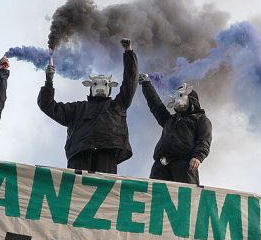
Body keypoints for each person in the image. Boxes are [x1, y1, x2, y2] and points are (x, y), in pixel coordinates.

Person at [38, 38, 138, 173]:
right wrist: (48, 82)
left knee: (104, 189)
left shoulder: (117, 105)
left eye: (105, 84)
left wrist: (129, 52)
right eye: (96, 84)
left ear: (110, 87)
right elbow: (48, 105)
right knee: (76, 190)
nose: (101, 87)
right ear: (90, 86)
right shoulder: (77, 108)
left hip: (107, 152)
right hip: (79, 153)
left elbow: (130, 82)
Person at [138, 76, 212, 185]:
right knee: (156, 195)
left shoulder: (200, 119)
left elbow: (204, 140)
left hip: (184, 163)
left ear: (191, 98)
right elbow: (155, 105)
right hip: (161, 164)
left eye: (181, 96)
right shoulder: (169, 120)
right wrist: (146, 85)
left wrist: (198, 156)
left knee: (184, 196)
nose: (178, 100)